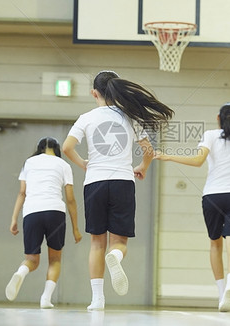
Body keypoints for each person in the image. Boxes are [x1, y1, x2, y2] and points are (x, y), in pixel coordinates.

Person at [62, 70, 174, 311]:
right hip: (123, 181)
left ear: (95, 93)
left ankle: (97, 300)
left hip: (95, 183)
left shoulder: (86, 117)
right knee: (119, 242)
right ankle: (117, 256)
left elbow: (67, 147)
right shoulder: (130, 118)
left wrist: (83, 164)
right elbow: (149, 151)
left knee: (96, 244)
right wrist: (142, 168)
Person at [155, 103, 230, 312]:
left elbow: (198, 161)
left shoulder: (210, 135)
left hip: (212, 196)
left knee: (215, 244)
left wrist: (169, 156)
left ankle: (221, 293)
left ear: (218, 117)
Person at [5, 136, 82, 308]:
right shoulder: (64, 165)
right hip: (55, 212)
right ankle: (46, 299)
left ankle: (21, 271)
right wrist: (75, 228)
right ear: (57, 149)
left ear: (39, 148)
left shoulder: (29, 163)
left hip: (32, 211)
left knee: (32, 259)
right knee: (55, 260)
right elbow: (70, 199)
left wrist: (13, 219)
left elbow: (22, 193)